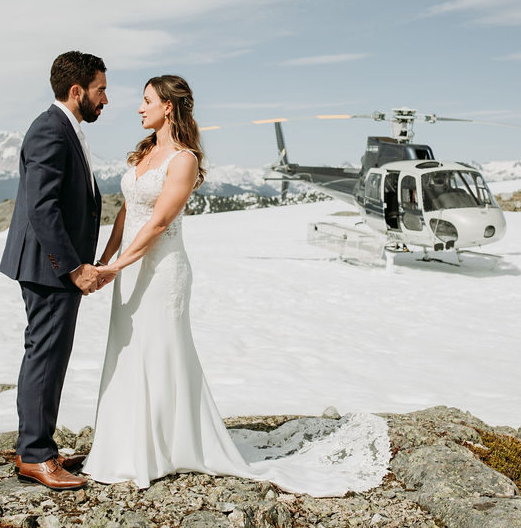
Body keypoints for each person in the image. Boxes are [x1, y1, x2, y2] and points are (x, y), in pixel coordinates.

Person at [81, 75, 388, 497]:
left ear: (168, 107)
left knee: (161, 351)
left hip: (161, 271)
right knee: (127, 349)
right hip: (127, 268)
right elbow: (127, 213)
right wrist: (105, 259)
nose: (139, 107)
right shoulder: (145, 153)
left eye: (146, 100)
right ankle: (124, 446)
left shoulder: (183, 160)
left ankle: (166, 447)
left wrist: (114, 268)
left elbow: (159, 222)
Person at [0, 51, 108, 490]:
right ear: (77, 90)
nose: (106, 99)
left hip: (51, 267)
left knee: (47, 354)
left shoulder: (65, 128)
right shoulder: (49, 128)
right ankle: (36, 456)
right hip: (49, 267)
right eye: (100, 89)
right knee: (45, 355)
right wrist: (74, 268)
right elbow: (42, 208)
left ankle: (37, 447)